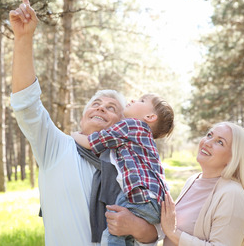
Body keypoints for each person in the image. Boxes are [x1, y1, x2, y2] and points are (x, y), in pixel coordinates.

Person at [9, 0, 159, 246]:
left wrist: (135, 226)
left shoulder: (133, 163)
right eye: (96, 104)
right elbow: (27, 104)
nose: (101, 108)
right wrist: (24, 39)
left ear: (124, 125)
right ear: (83, 116)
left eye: (112, 107)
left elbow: (158, 230)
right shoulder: (56, 147)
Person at [73, 94, 174, 245]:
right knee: (124, 238)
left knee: (111, 234)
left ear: (150, 116)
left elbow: (92, 142)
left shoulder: (130, 125)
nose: (133, 100)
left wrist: (72, 135)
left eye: (141, 101)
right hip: (155, 202)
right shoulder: (142, 138)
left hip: (139, 197)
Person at [160, 121, 244, 246]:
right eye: (209, 135)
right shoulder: (193, 180)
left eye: (220, 142)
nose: (207, 142)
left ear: (233, 158)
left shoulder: (233, 194)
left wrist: (173, 233)